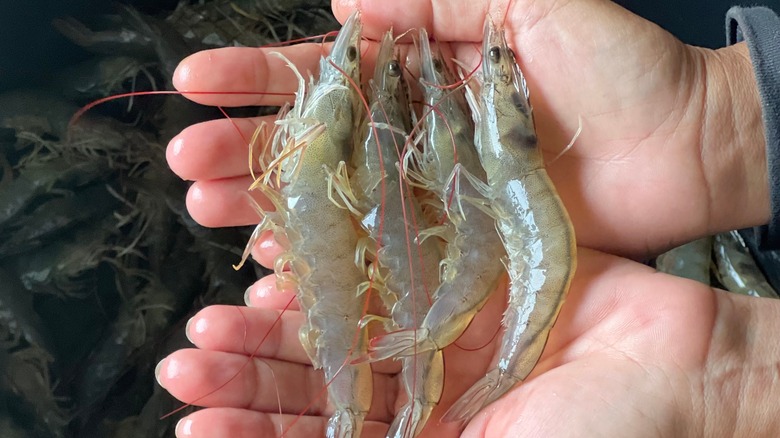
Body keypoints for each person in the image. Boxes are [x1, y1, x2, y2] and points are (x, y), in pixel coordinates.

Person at [155, 0, 780, 436]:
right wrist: (720, 115)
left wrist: (713, 114)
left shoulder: (465, 172)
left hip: (491, 258)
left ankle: (453, 362)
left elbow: (457, 202)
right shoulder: (457, 163)